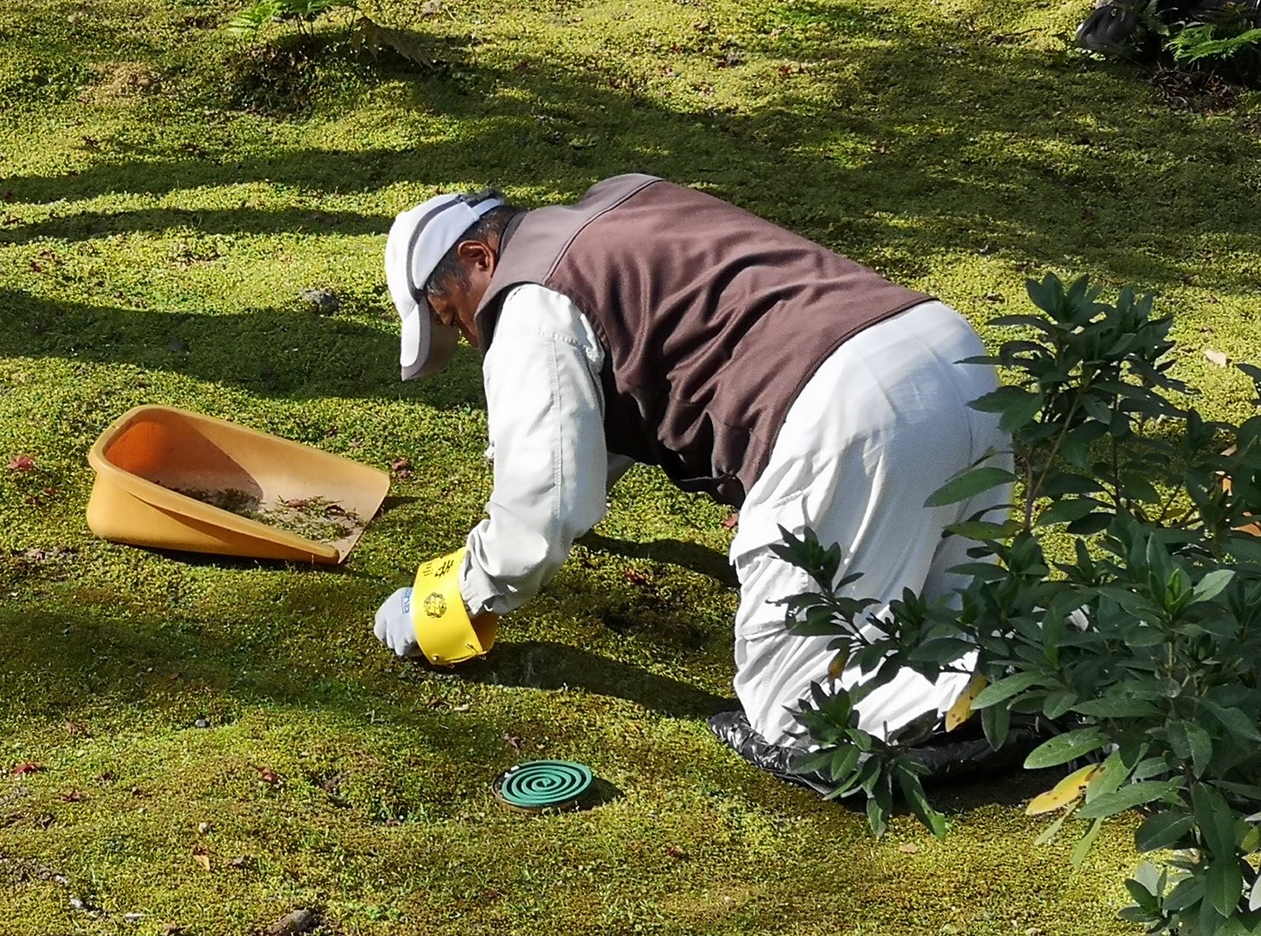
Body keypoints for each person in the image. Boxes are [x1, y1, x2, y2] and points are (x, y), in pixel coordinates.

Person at [373, 174, 1012, 789]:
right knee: (949, 619)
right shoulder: (629, 199)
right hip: (948, 354)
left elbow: (543, 502)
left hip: (846, 409)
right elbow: (598, 416)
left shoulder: (527, 298)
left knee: (797, 712)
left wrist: (459, 596)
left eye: (454, 318)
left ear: (478, 256)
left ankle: (1005, 713)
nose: (470, 336)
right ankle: (1067, 673)